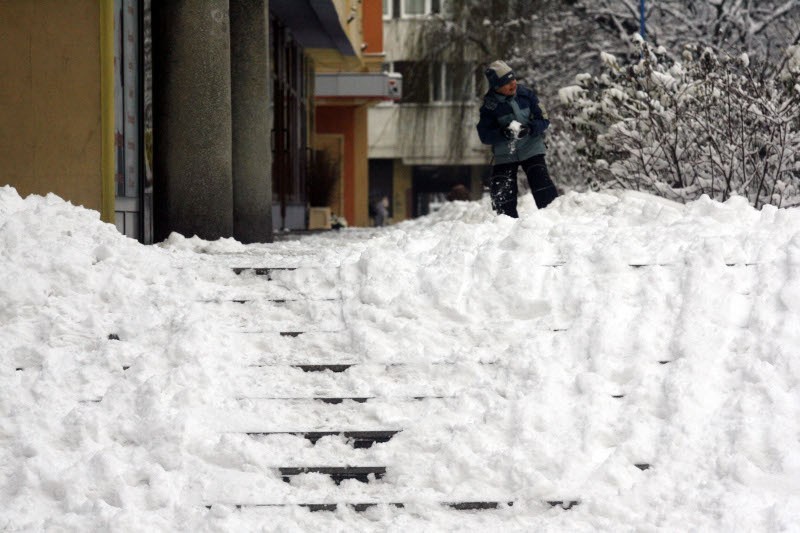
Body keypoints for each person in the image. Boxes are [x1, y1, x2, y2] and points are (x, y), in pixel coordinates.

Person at [476, 60, 559, 217]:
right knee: (502, 190)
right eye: (506, 83)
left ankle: (551, 216)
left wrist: (531, 128)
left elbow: (544, 120)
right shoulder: (489, 107)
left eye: (513, 79)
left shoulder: (526, 95)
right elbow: (484, 135)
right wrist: (503, 133)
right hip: (505, 153)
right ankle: (505, 222)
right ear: (496, 87)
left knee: (540, 180)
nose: (512, 84)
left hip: (531, 146)